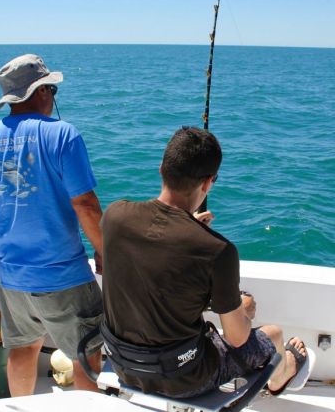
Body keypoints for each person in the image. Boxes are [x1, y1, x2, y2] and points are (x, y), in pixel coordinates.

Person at [100, 127, 313, 398]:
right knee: (273, 334)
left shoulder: (114, 215)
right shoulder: (217, 250)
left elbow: (152, 260)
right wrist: (244, 310)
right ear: (208, 183)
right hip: (184, 379)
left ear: (162, 168)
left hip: (123, 367)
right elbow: (236, 339)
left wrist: (189, 229)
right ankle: (282, 377)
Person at [0, 54, 103, 396]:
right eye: (52, 89)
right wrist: (105, 250)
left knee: (23, 350)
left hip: (12, 277)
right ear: (40, 91)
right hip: (63, 274)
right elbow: (85, 204)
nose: (53, 96)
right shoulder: (64, 135)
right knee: (86, 355)